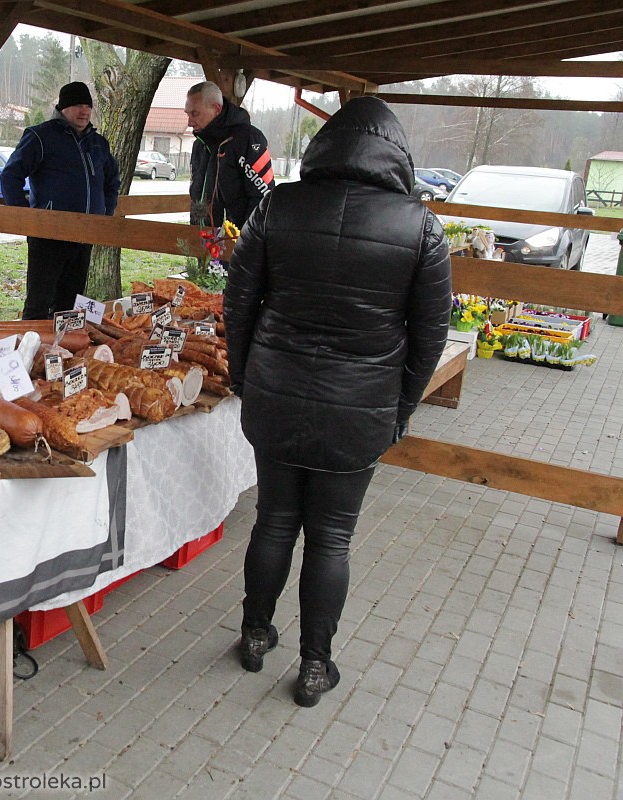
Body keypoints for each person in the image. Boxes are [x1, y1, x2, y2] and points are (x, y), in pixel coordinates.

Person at [223, 96, 452, 708]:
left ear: (328, 145)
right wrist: (400, 406)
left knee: (273, 520)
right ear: (396, 154)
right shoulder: (420, 226)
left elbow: (238, 301)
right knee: (331, 538)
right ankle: (316, 665)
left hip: (276, 392)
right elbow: (430, 334)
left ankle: (253, 633)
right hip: (360, 407)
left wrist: (245, 375)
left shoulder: (280, 206)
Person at [1, 81, 120, 320]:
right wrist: (25, 218)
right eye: (78, 105)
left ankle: (63, 353)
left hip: (85, 235)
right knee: (39, 302)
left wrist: (105, 213)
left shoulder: (98, 143)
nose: (84, 111)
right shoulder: (40, 136)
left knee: (70, 304)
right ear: (63, 108)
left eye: (88, 106)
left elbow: (112, 180)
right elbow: (11, 175)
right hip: (48, 236)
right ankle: (30, 352)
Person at [184, 81, 274, 231]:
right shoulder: (199, 145)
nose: (190, 122)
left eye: (195, 113)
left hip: (240, 243)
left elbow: (263, 197)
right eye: (187, 114)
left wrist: (244, 240)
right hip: (203, 242)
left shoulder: (249, 139)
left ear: (216, 109)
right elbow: (197, 195)